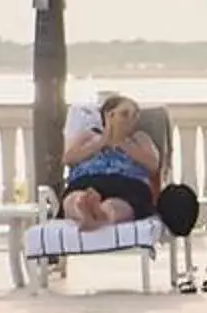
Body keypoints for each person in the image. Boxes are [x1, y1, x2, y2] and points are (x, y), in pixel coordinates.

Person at [58, 92, 160, 230]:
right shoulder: (89, 136)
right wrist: (101, 142)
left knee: (119, 204)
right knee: (74, 198)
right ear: (109, 115)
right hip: (88, 181)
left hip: (128, 183)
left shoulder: (140, 138)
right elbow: (68, 159)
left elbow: (153, 165)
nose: (132, 119)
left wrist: (123, 144)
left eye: (136, 114)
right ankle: (86, 210)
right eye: (125, 114)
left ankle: (101, 214)